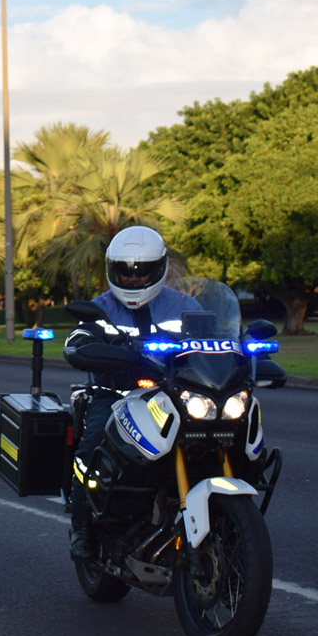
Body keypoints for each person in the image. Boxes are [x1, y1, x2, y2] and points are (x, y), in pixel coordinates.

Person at [63, 226, 198, 559]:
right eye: (125, 271)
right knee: (93, 443)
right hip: (114, 394)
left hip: (175, 393)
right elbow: (77, 340)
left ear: (160, 268)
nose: (135, 278)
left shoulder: (185, 305)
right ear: (112, 270)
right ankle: (82, 525)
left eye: (143, 271)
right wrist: (85, 347)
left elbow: (219, 336)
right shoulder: (100, 308)